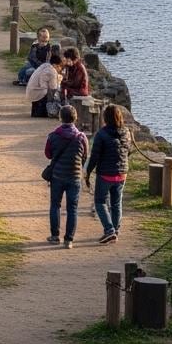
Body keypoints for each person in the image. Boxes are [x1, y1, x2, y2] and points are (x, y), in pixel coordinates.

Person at [44, 104, 88, 248]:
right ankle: (69, 239)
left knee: (55, 205)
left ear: (60, 118)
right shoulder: (81, 137)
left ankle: (55, 235)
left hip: (57, 175)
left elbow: (48, 154)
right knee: (72, 208)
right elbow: (84, 156)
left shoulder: (53, 135)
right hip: (74, 176)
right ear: (75, 118)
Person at [85, 103, 130, 244]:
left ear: (105, 118)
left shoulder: (102, 134)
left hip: (105, 173)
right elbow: (127, 151)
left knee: (100, 202)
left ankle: (109, 230)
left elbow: (95, 156)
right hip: (122, 173)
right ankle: (115, 230)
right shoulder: (127, 132)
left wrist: (88, 172)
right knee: (117, 203)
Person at [26, 53, 63, 118]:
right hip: (39, 93)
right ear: (55, 65)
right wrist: (59, 81)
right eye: (60, 66)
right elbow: (53, 88)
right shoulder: (52, 71)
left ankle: (37, 112)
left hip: (32, 91)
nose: (60, 69)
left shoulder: (45, 65)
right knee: (53, 93)